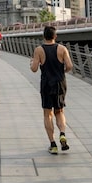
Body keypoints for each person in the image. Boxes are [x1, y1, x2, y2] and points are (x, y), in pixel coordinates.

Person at [30, 26, 73, 154]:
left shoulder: (39, 50)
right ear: (55, 36)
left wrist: (32, 63)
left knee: (47, 114)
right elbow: (69, 66)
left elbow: (34, 69)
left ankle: (53, 144)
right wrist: (62, 71)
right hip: (60, 83)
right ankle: (62, 133)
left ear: (44, 36)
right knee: (59, 111)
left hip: (46, 84)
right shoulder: (62, 49)